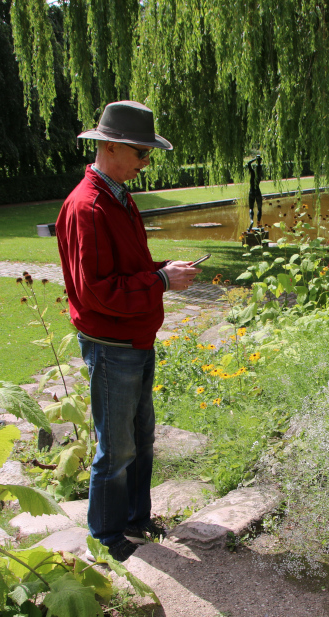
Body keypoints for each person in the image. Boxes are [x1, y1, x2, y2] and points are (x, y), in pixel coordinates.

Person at [56, 101, 200, 562]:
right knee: (115, 448)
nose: (146, 163)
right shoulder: (88, 206)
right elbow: (97, 291)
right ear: (111, 145)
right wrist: (159, 281)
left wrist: (161, 268)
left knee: (140, 436)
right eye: (141, 152)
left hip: (135, 339)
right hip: (111, 345)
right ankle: (105, 533)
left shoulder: (118, 195)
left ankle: (136, 520)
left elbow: (126, 269)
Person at [246, 155, 264, 230]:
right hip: (257, 191)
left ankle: (251, 220)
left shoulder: (253, 173)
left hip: (251, 191)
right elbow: (259, 167)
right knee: (259, 208)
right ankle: (258, 222)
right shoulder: (259, 174)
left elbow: (248, 164)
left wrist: (254, 159)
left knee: (251, 208)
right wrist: (258, 160)